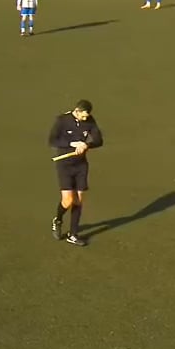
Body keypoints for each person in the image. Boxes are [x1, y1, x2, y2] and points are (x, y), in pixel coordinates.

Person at [49, 99, 104, 246]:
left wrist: (87, 144)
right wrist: (72, 144)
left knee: (79, 200)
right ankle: (58, 219)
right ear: (77, 111)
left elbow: (99, 140)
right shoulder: (62, 120)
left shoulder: (90, 120)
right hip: (64, 165)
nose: (86, 119)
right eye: (84, 116)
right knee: (68, 201)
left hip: (80, 165)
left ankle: (73, 234)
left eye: (87, 116)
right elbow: (52, 140)